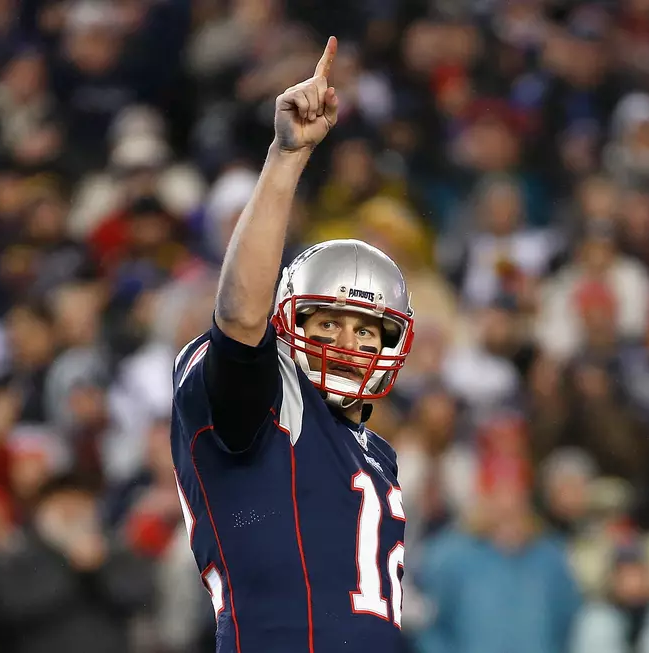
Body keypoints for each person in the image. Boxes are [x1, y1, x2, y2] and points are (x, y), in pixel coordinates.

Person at [170, 36, 416, 653]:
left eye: (366, 329)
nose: (348, 342)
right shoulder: (268, 400)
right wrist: (286, 158)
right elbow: (240, 315)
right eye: (327, 322)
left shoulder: (373, 453)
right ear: (289, 322)